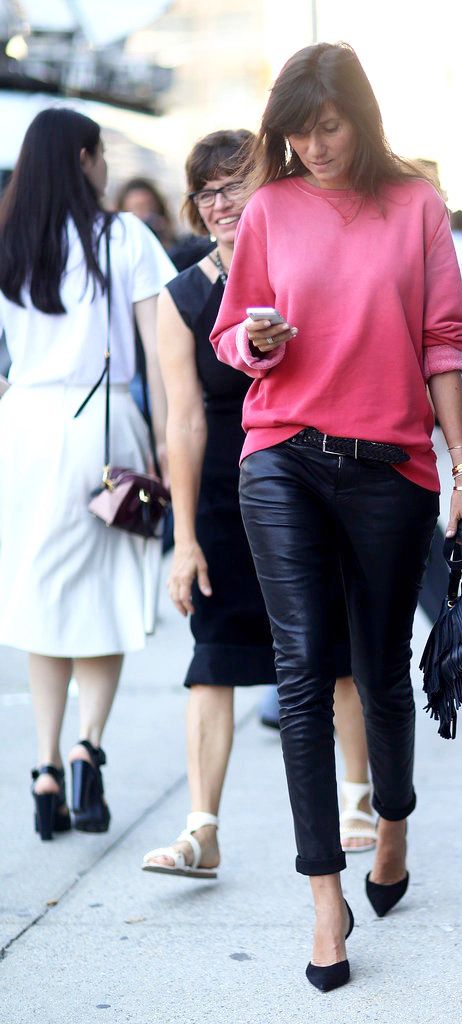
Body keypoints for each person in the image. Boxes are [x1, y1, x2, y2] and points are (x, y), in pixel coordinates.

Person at [210, 42, 462, 991]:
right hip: (281, 452)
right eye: (295, 131)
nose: (312, 146)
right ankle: (324, 900)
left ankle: (392, 825)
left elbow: (442, 341)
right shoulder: (273, 210)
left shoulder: (414, 205)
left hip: (391, 469)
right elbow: (232, 327)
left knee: (380, 671)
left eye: (327, 127)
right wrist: (254, 336)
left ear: (359, 120)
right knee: (300, 675)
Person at [141, 129, 376, 880]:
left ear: (270, 184)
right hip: (220, 501)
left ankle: (359, 802)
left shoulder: (305, 265)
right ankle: (201, 833)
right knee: (212, 661)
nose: (218, 204)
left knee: (334, 656)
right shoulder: (181, 298)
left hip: (312, 487)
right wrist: (182, 538)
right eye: (205, 191)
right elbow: (182, 418)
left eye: (232, 185)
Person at [0, 109, 175, 840]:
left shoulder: (8, 243)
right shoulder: (123, 236)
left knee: (45, 598)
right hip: (102, 429)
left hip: (24, 428)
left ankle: (42, 768)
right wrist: (169, 447)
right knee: (100, 596)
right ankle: (85, 748)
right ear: (84, 158)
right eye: (100, 155)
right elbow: (161, 354)